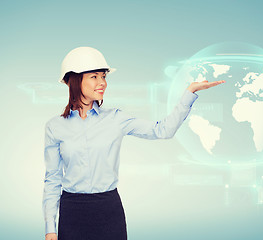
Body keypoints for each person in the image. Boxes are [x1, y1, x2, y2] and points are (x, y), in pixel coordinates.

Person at [42, 46, 225, 240]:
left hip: (108, 210)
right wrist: (50, 227)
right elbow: (52, 179)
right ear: (75, 80)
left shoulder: (116, 119)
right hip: (72, 212)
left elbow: (162, 130)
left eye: (104, 77)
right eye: (94, 77)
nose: (102, 83)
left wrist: (190, 93)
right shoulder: (55, 127)